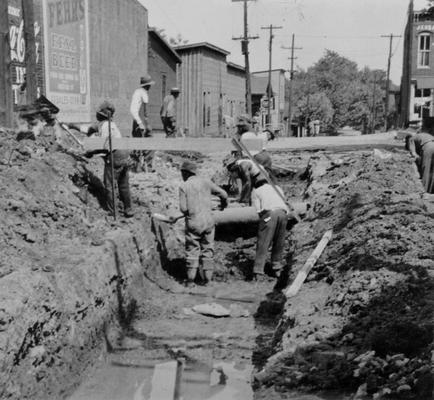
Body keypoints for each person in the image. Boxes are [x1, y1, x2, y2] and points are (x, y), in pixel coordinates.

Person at [175, 160, 228, 287]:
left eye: (182, 172)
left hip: (194, 222)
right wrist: (223, 205)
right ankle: (208, 281)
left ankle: (190, 282)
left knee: (192, 250)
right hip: (209, 221)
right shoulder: (206, 182)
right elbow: (224, 194)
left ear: (185, 173)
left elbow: (183, 209)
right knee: (208, 249)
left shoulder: (184, 186)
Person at [86, 101, 134, 218]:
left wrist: (90, 152)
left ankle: (113, 211)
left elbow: (104, 147)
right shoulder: (112, 125)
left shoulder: (105, 126)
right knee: (123, 185)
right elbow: (90, 129)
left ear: (101, 115)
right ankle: (128, 209)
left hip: (115, 156)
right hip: (124, 154)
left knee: (109, 184)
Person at [251, 180, 289, 281]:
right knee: (279, 242)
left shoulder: (256, 191)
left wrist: (263, 224)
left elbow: (258, 210)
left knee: (263, 242)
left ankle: (258, 271)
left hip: (270, 214)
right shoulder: (278, 188)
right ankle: (277, 267)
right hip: (283, 214)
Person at [130, 74, 154, 171]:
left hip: (144, 123)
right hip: (140, 124)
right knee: (141, 145)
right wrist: (140, 123)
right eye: (149, 85)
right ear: (147, 85)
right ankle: (139, 168)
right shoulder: (138, 93)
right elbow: (133, 110)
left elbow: (146, 112)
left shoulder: (143, 93)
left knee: (147, 145)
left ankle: (146, 167)